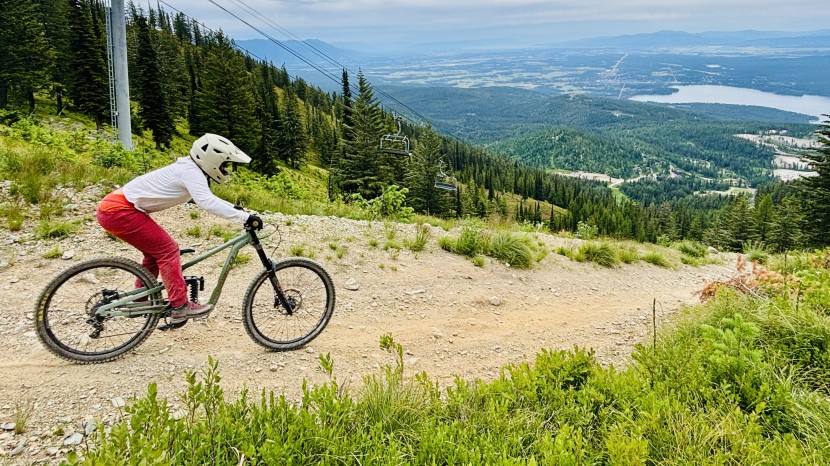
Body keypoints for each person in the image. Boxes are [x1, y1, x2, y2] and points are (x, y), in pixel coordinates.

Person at [96, 133, 262, 324]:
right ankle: (180, 306)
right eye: (224, 164)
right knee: (168, 250)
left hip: (114, 208)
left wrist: (235, 209)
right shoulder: (191, 172)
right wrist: (245, 218)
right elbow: (207, 202)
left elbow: (208, 197)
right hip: (119, 211)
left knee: (155, 254)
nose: (225, 169)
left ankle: (140, 300)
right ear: (212, 160)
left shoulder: (189, 169)